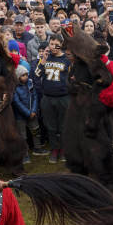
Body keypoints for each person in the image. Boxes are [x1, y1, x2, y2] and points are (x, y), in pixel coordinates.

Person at [35, 33, 71, 163]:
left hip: (63, 98)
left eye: (57, 44)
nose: (54, 47)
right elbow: (37, 74)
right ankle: (54, 150)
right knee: (51, 126)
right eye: (51, 44)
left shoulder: (67, 60)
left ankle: (63, 150)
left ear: (61, 45)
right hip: (47, 98)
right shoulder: (46, 58)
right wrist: (43, 60)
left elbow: (73, 78)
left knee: (63, 126)